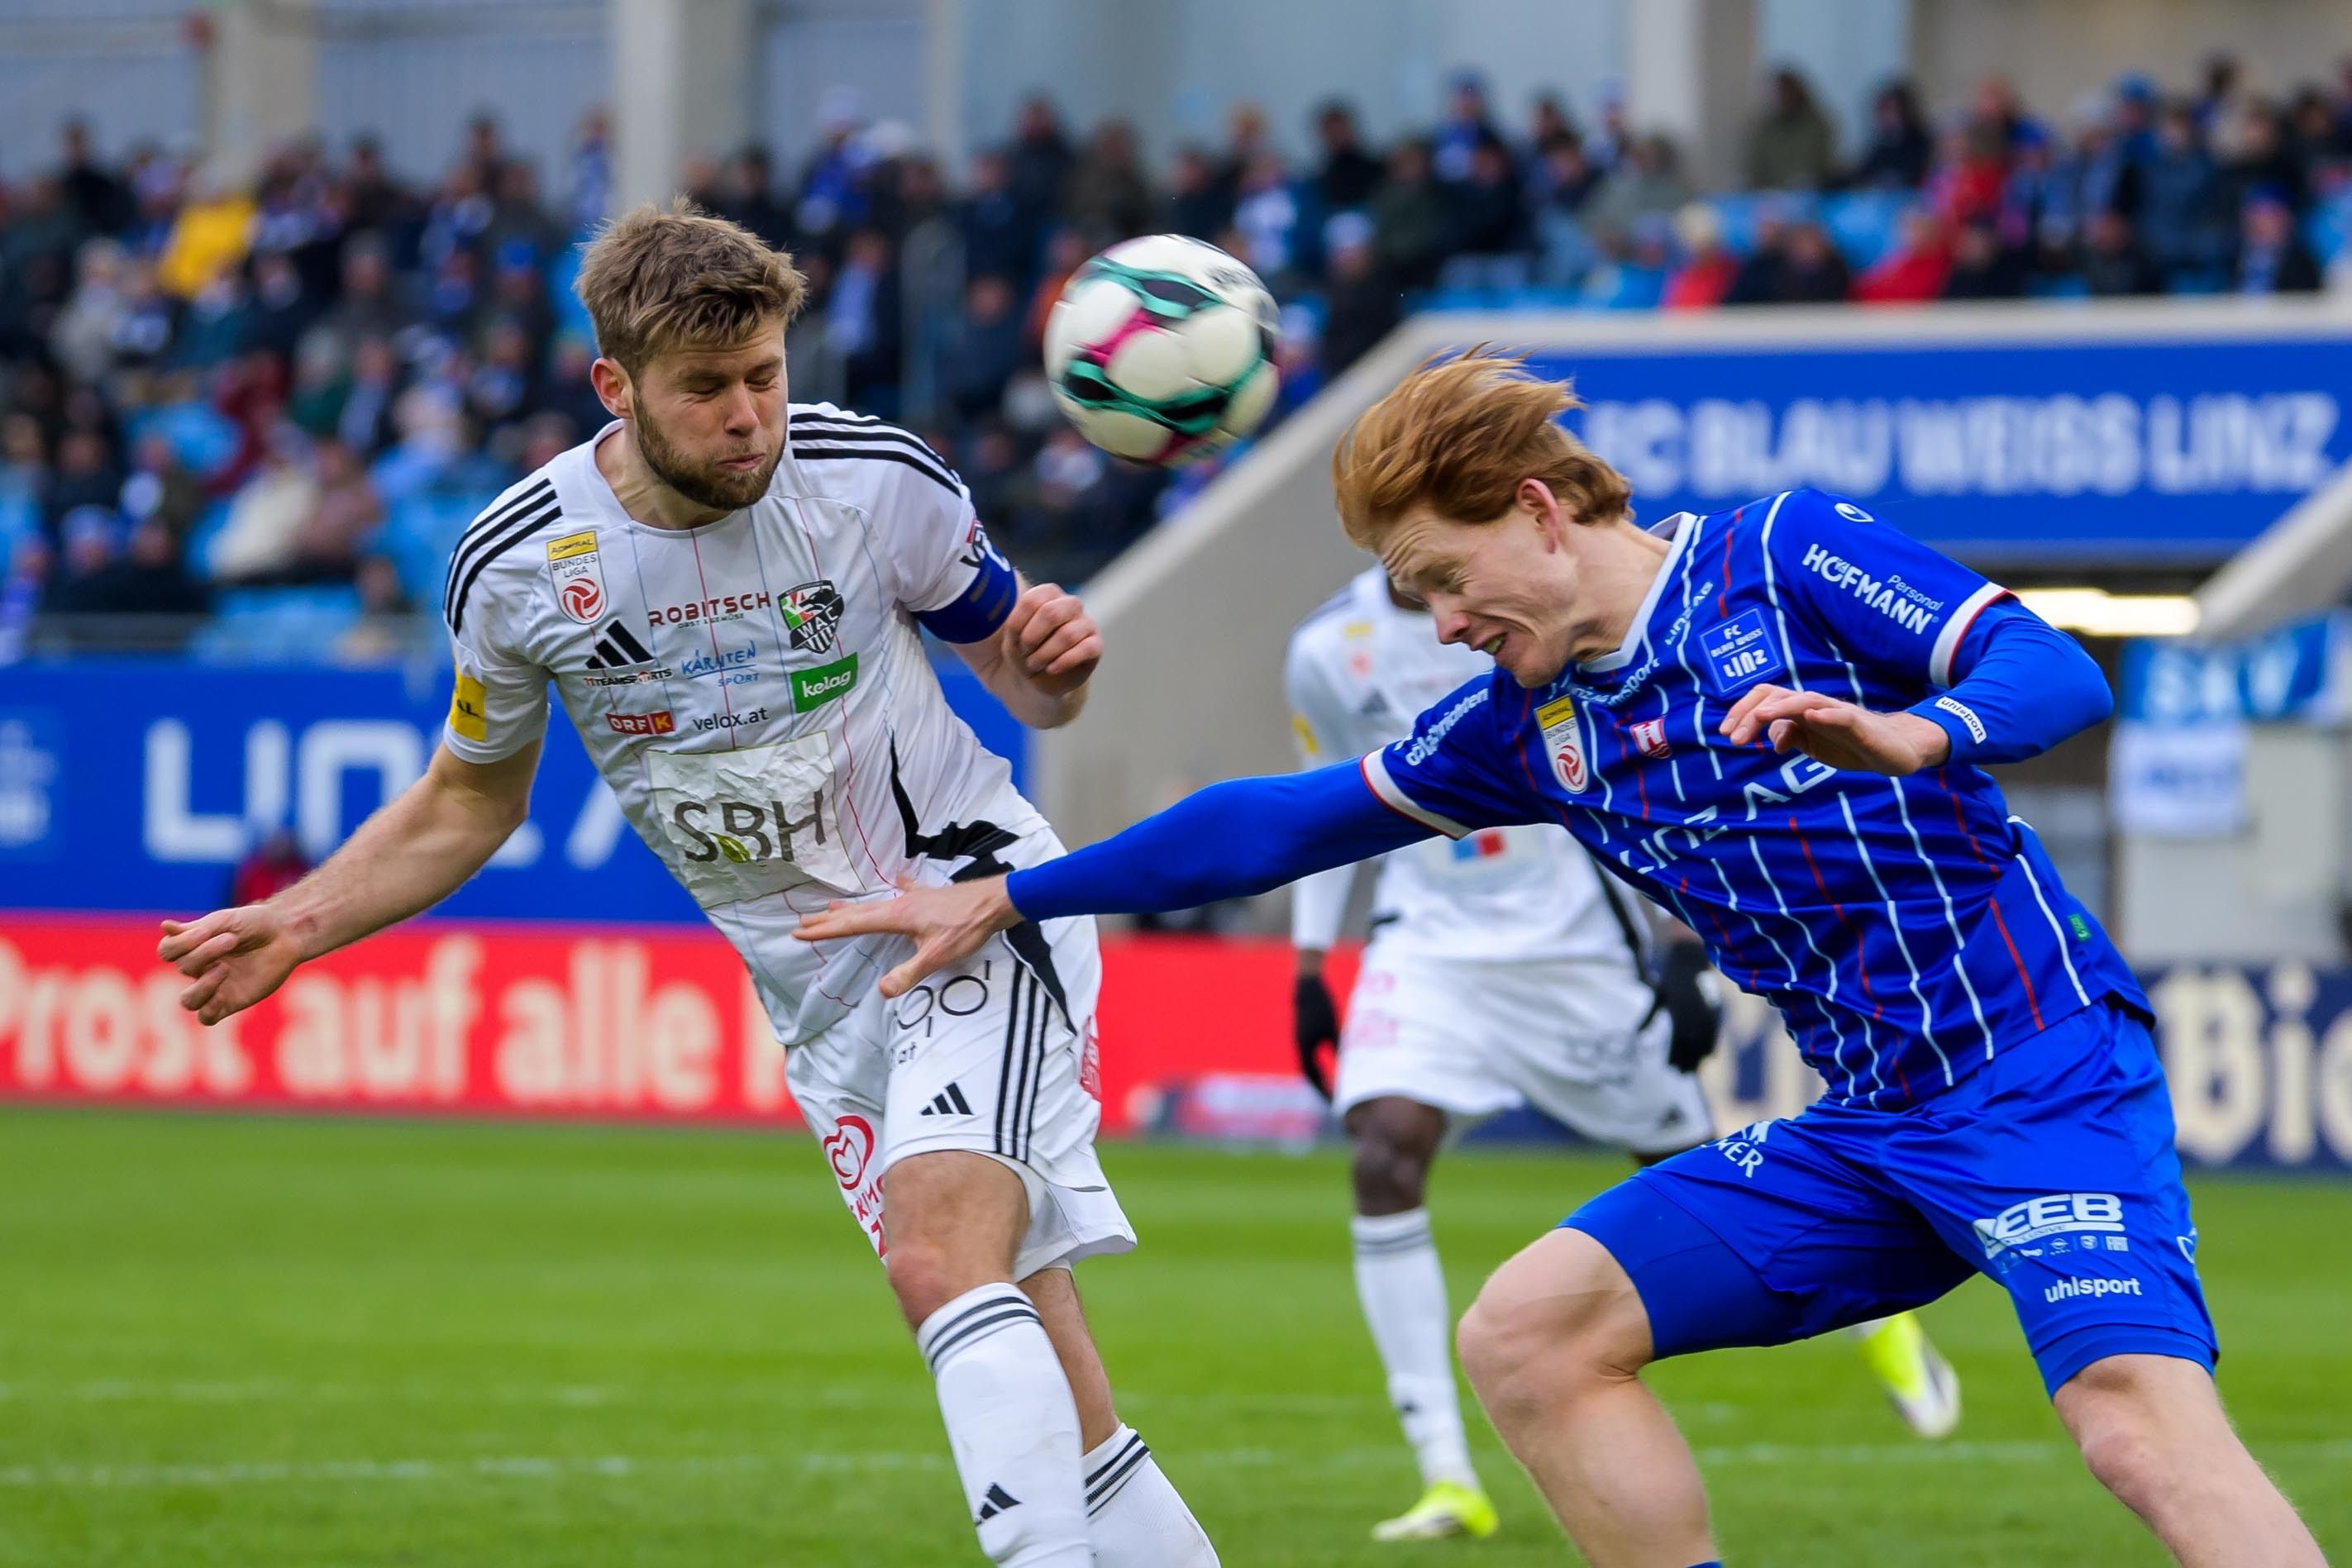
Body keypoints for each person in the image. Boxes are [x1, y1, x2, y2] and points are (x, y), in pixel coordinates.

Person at [796, 351, 2328, 1568]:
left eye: (1447, 579)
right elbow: (1276, 826)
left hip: (2035, 1076)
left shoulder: (1779, 558)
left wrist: (1913, 727)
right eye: (1417, 599)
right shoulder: (1526, 730)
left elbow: (2052, 667)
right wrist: (1017, 893)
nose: (1446, 623)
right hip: (1867, 1128)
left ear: (1538, 508)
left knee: (2133, 1424)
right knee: (1529, 1337)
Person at [157, 203, 1218, 1568]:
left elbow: (1017, 673)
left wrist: (1050, 669)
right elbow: (470, 799)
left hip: (970, 903)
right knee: (1062, 1400)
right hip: (823, 1001)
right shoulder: (524, 563)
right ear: (617, 386)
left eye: (764, 376)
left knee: (938, 1261)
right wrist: (298, 921)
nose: (749, 417)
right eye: (706, 388)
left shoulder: (875, 479)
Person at [1284, 565, 1959, 1542]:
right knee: (1383, 1149)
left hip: (1577, 954)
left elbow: (1639, 782)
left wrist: (1679, 956)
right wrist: (1311, 964)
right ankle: (1444, 1473)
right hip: (1427, 945)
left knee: (1692, 1167)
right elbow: (1324, 803)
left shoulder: (1532, 618)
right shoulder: (1322, 651)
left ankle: (1876, 1320)